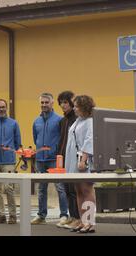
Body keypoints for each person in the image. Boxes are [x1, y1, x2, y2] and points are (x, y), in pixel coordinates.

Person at [31, 92, 68, 226]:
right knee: (41, 189)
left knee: (60, 188)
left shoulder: (59, 120)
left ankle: (64, 215)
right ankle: (41, 215)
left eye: (47, 102)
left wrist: (57, 152)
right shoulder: (36, 121)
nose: (44, 105)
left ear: (52, 103)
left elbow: (63, 138)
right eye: (42, 102)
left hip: (54, 159)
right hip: (40, 159)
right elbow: (36, 139)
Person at [65, 95, 97, 234]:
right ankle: (83, 221)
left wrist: (83, 160)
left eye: (77, 106)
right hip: (73, 160)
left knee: (86, 190)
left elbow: (89, 141)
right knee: (78, 191)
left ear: (84, 107)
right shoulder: (78, 120)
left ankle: (90, 222)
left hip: (83, 161)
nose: (74, 108)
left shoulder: (90, 122)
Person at [57, 91, 80, 229]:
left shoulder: (76, 119)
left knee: (74, 190)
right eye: (61, 102)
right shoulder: (63, 120)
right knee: (67, 189)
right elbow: (62, 141)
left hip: (73, 159)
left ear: (71, 103)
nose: (63, 105)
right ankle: (72, 217)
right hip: (63, 158)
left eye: (65, 102)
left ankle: (77, 218)